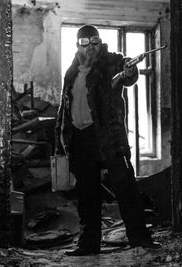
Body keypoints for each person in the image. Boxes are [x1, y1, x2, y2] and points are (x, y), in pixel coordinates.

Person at [55, 25, 160, 256]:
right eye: (85, 42)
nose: (90, 46)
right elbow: (65, 107)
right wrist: (62, 140)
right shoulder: (72, 72)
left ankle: (140, 240)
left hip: (108, 137)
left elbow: (128, 76)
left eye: (94, 41)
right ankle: (88, 245)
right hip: (80, 139)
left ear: (100, 42)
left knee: (126, 189)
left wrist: (129, 69)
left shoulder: (112, 61)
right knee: (87, 195)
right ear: (78, 45)